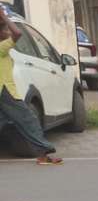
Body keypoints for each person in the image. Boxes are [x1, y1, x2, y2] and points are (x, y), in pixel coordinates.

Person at [0, 10, 62, 164]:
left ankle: (42, 154)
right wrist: (4, 16)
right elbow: (18, 33)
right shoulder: (1, 47)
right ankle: (43, 154)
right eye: (5, 30)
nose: (8, 32)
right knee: (28, 120)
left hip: (5, 91)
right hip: (5, 91)